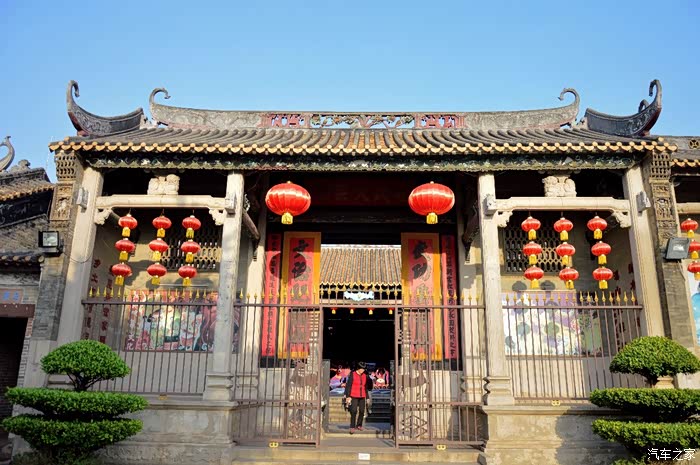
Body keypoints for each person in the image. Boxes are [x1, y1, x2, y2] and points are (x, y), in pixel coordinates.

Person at [343, 361, 373, 434]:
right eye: (362, 369)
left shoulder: (365, 375)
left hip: (362, 395)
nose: (363, 370)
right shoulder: (353, 374)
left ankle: (359, 425)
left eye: (364, 369)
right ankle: (352, 426)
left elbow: (365, 387)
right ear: (358, 368)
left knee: (362, 411)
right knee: (353, 411)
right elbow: (348, 385)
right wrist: (348, 396)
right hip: (353, 395)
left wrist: (367, 397)